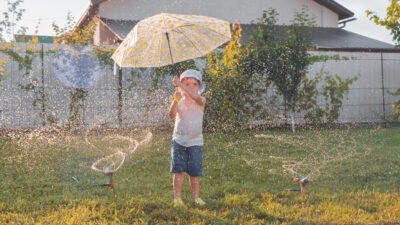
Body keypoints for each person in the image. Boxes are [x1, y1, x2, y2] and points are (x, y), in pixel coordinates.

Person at [168, 69, 206, 207]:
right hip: (179, 141)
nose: (190, 87)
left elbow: (194, 96)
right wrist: (175, 100)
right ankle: (177, 198)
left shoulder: (200, 101)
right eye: (187, 84)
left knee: (194, 173)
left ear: (199, 87)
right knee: (179, 171)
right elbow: (171, 115)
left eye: (194, 84)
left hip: (195, 143)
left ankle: (196, 197)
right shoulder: (180, 101)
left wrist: (180, 83)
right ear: (180, 87)